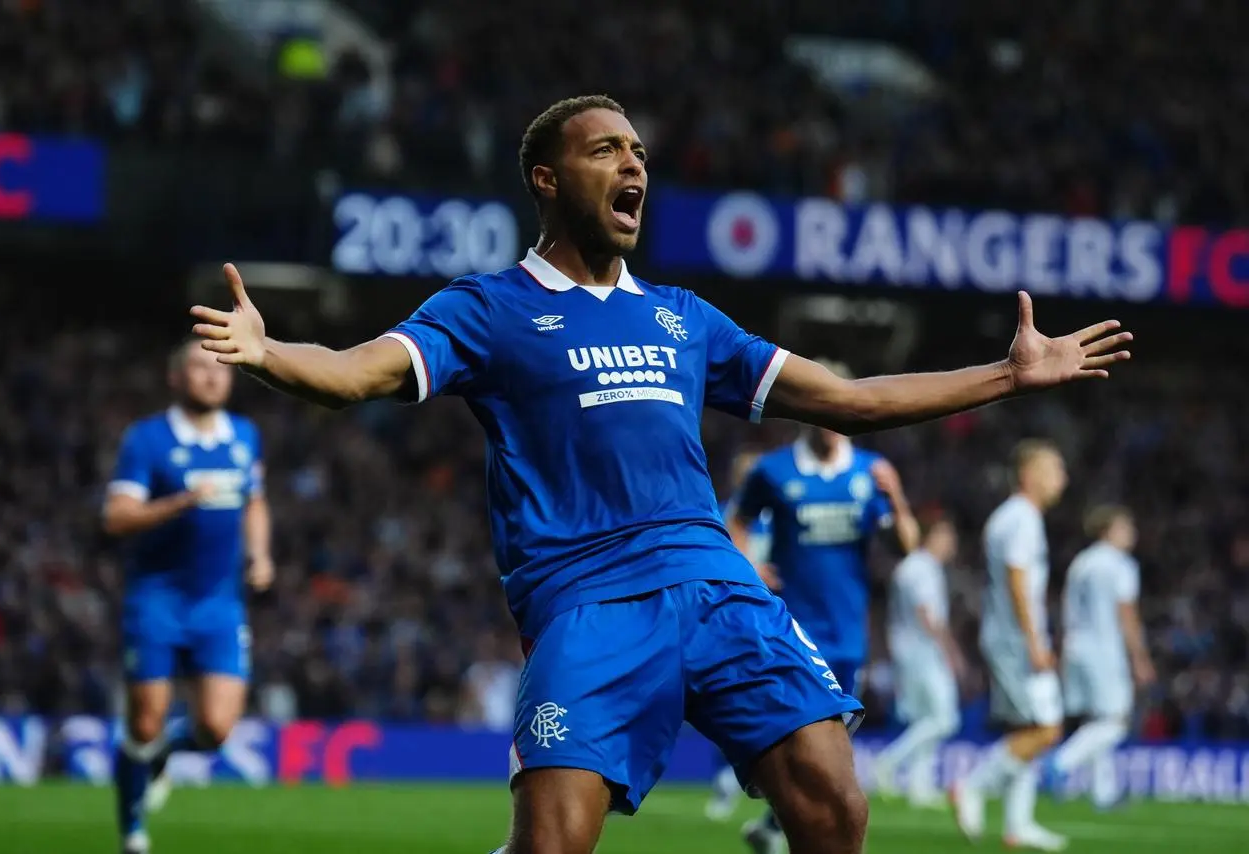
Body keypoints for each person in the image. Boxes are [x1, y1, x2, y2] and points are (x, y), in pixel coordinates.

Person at [188, 94, 1131, 854]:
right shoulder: (489, 309)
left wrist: (1007, 375)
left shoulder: (685, 318)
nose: (633, 164)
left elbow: (849, 399)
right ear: (547, 180)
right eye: (606, 150)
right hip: (587, 601)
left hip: (717, 585)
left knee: (836, 808)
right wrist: (270, 353)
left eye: (638, 150)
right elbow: (360, 373)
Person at [728, 379, 921, 854]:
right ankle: (804, 828)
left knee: (829, 740)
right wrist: (747, 565)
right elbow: (736, 521)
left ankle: (776, 826)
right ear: (805, 412)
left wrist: (896, 500)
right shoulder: (773, 472)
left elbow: (907, 546)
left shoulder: (870, 470)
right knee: (809, 735)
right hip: (791, 624)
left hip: (847, 629)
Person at [103, 338, 274, 854]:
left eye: (220, 368)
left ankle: (161, 757)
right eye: (199, 367)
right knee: (145, 720)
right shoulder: (147, 440)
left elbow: (254, 502)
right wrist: (180, 502)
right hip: (156, 600)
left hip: (219, 605)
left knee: (217, 728)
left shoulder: (244, 435)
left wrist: (260, 555)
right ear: (176, 378)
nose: (211, 376)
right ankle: (132, 830)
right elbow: (115, 517)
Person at [952, 441, 1070, 852]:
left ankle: (1018, 826)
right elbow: (1018, 581)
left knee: (1027, 728)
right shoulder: (1022, 519)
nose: (1062, 479)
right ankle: (973, 785)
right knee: (1046, 728)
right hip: (1016, 639)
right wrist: (1035, 640)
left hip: (1009, 635)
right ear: (1028, 474)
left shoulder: (1011, 517)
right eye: (1053, 469)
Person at [1043, 506, 1153, 808]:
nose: (1132, 533)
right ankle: (1060, 763)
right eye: (1125, 527)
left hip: (1076, 647)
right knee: (1116, 722)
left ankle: (1103, 793)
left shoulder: (1081, 563)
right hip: (1105, 649)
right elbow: (1126, 612)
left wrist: (1063, 651)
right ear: (1109, 529)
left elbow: (1065, 610)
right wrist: (1139, 656)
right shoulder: (1120, 564)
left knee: (1096, 720)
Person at [873, 515, 963, 808]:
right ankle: (888, 761)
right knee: (944, 719)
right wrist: (951, 651)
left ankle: (918, 785)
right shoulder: (924, 568)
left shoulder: (910, 567)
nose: (953, 543)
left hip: (907, 651)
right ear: (932, 535)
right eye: (947, 536)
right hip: (925, 652)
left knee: (926, 719)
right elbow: (928, 615)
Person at [705, 449, 772, 822]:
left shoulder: (775, 516)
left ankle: (752, 778)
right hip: (732, 617)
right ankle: (723, 781)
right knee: (729, 697)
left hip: (770, 617)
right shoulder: (722, 513)